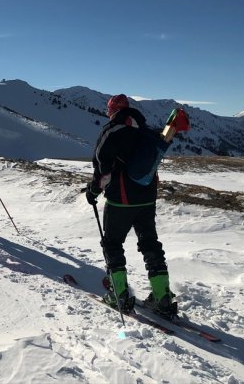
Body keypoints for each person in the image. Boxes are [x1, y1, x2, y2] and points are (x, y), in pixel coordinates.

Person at [85, 94, 176, 318]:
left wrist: (93, 191)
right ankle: (162, 297)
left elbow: (103, 171)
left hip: (121, 200)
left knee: (112, 243)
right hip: (147, 199)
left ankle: (120, 295)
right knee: (150, 244)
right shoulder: (145, 130)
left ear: (112, 110)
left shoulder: (111, 131)